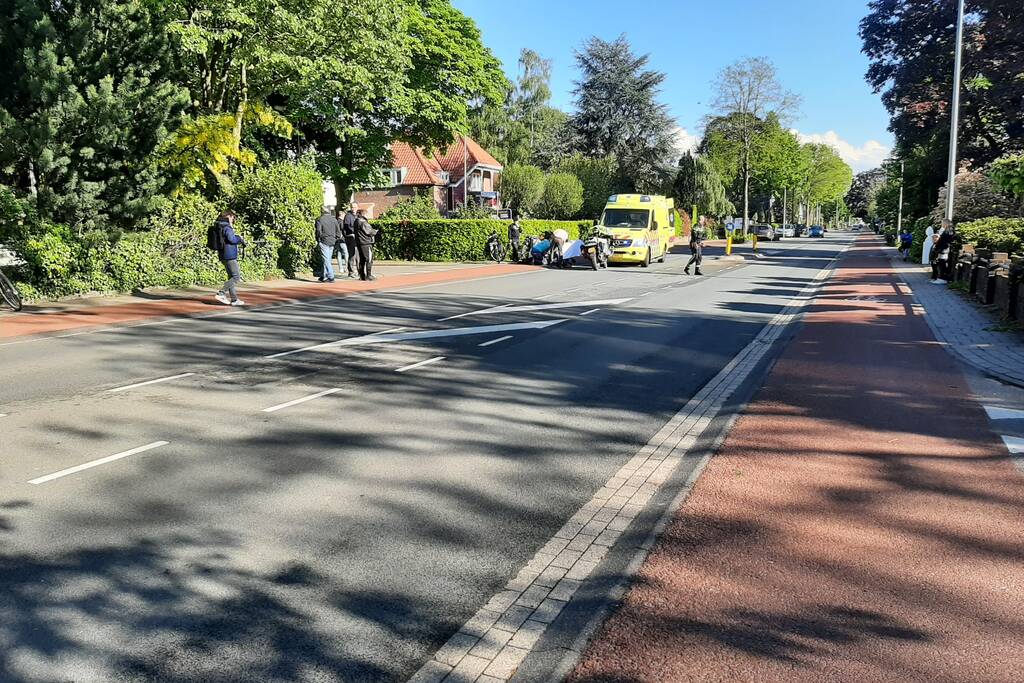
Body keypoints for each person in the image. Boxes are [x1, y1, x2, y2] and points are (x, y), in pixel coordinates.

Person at [214, 210, 246, 306]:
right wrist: (239, 239)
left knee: (231, 277)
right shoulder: (226, 226)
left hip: (223, 254)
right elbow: (231, 239)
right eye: (232, 217)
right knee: (236, 277)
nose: (233, 219)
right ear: (228, 216)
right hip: (229, 255)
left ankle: (234, 299)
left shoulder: (219, 225)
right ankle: (221, 293)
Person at [315, 208, 343, 282]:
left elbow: (318, 231)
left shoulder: (320, 219)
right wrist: (335, 238)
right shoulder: (334, 220)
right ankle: (324, 275)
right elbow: (338, 231)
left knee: (326, 259)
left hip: (324, 240)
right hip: (332, 241)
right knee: (327, 258)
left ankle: (331, 276)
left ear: (321, 212)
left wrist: (319, 239)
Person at [354, 209, 378, 281]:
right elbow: (369, 231)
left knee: (362, 260)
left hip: (359, 242)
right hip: (366, 242)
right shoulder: (363, 222)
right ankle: (369, 275)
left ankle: (362, 275)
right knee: (369, 259)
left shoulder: (356, 221)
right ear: (364, 214)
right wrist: (375, 231)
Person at [930, 218, 955, 284]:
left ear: (945, 223)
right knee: (941, 263)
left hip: (944, 249)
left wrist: (938, 247)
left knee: (942, 264)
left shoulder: (948, 230)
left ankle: (943, 278)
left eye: (942, 223)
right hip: (943, 249)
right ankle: (941, 277)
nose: (942, 224)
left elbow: (944, 240)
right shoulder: (949, 230)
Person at [342, 204, 359, 278]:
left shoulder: (358, 215)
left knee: (358, 256)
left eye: (355, 207)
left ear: (357, 208)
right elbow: (346, 227)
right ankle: (351, 272)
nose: (353, 209)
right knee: (352, 255)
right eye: (352, 207)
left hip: (358, 238)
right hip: (351, 237)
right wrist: (352, 233)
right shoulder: (348, 216)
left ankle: (360, 271)